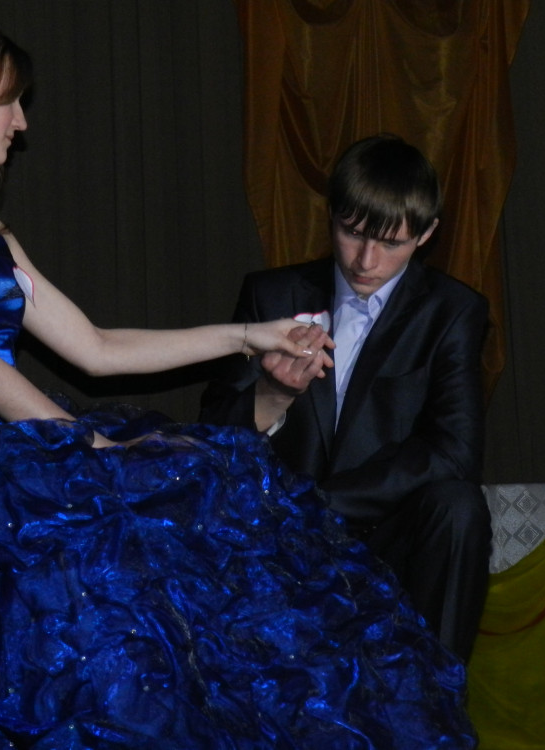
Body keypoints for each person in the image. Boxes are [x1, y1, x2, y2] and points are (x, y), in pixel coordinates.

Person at [0, 15, 475, 748]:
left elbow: (95, 348)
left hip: (11, 434)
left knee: (204, 480)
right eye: (8, 101)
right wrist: (88, 445)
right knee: (106, 540)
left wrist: (250, 335)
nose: (21, 122)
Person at [200, 135, 492, 663]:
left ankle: (438, 693)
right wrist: (273, 394)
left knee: (458, 506)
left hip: (386, 531)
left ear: (427, 234)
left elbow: (454, 452)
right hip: (279, 535)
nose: (365, 260)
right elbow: (212, 439)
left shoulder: (453, 311)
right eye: (352, 233)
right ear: (331, 214)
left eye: (391, 243)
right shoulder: (272, 295)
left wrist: (322, 504)